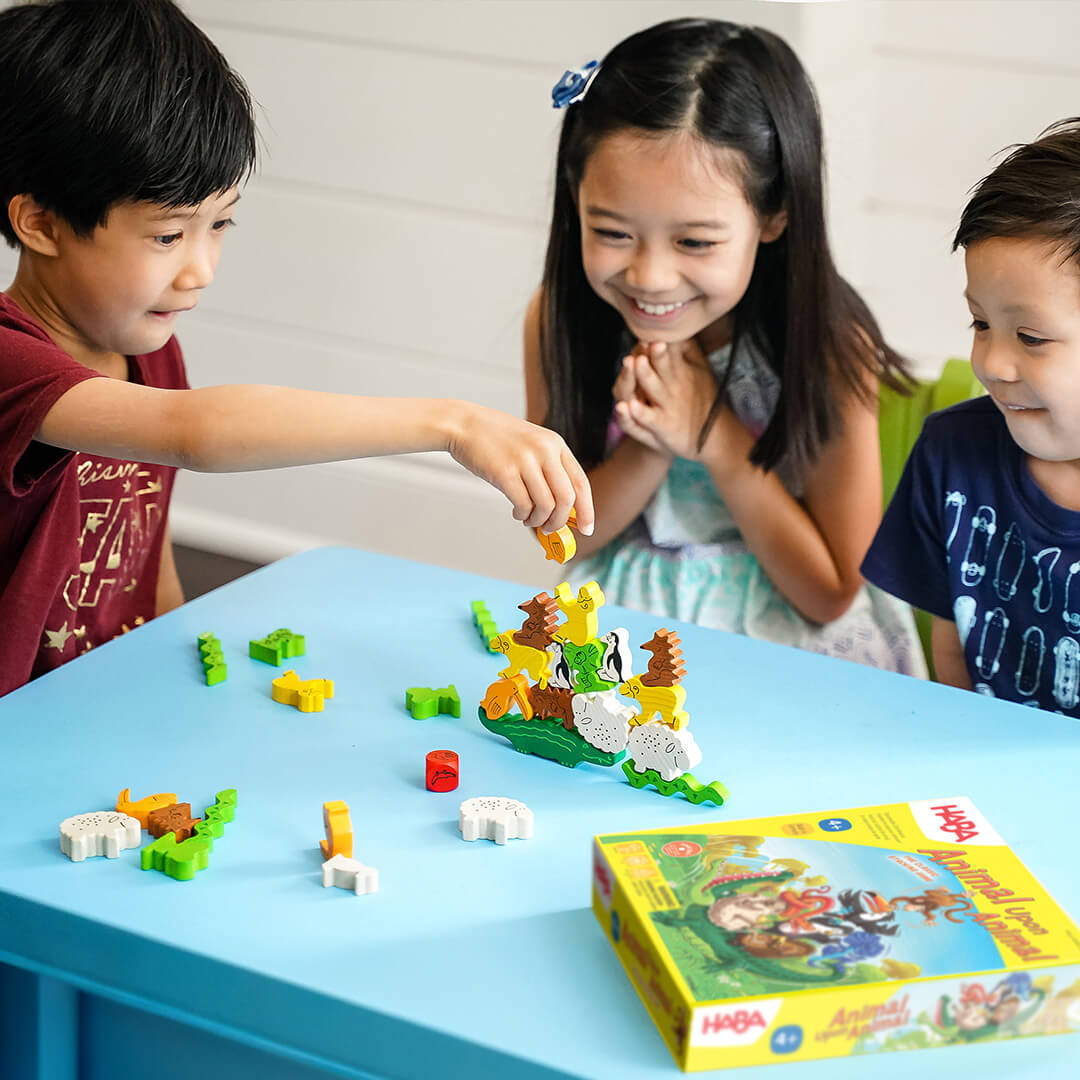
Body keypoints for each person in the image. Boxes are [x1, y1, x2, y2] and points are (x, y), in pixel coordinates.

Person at [0, 0, 592, 697]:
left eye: (219, 224)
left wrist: (177, 657)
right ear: (39, 222)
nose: (202, 270)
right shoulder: (13, 362)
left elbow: (148, 539)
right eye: (168, 236)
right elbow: (196, 434)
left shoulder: (150, 353)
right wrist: (452, 423)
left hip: (102, 695)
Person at [524, 18, 923, 674]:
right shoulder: (559, 320)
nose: (649, 276)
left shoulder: (824, 343)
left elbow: (829, 593)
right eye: (614, 232)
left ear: (773, 215)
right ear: (577, 200)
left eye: (695, 242)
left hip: (789, 637)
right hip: (626, 616)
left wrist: (713, 433)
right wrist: (653, 441)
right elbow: (568, 536)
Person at [863, 119, 1080, 710]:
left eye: (1031, 336)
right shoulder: (951, 453)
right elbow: (953, 653)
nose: (993, 362)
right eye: (981, 323)